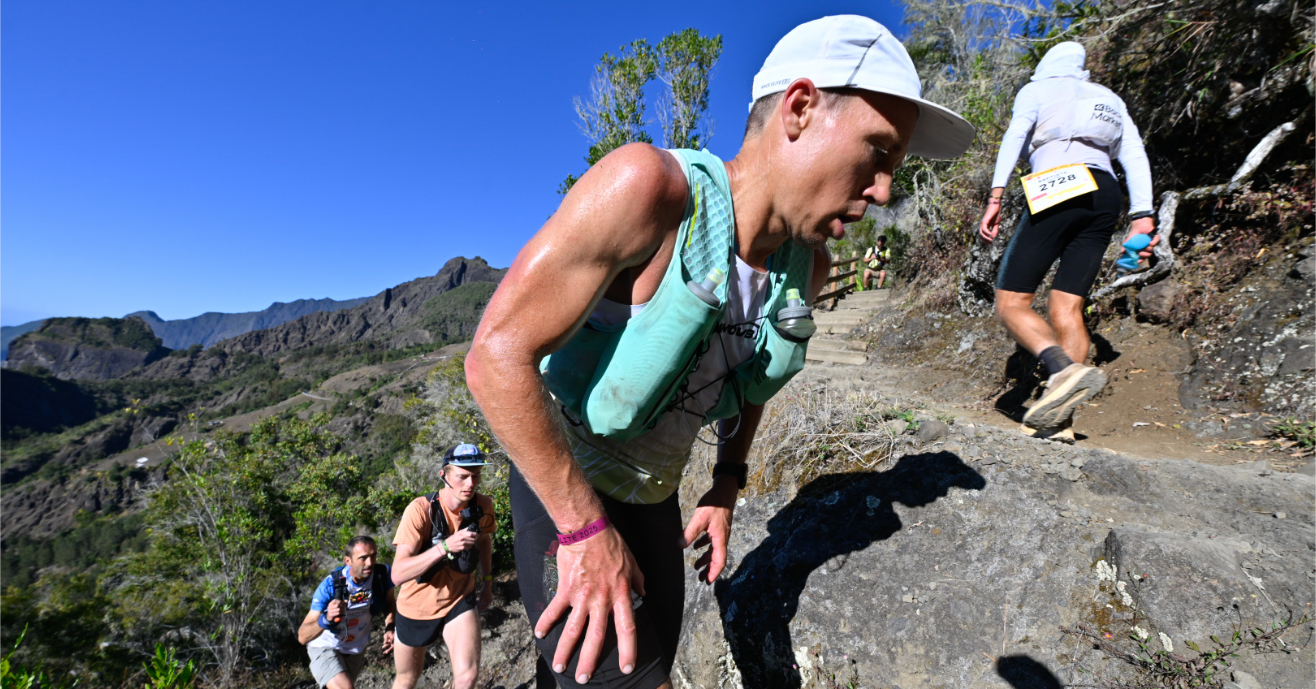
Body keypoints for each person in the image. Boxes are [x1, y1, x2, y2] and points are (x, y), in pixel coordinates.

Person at [465, 15, 973, 689]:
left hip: (655, 496)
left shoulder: (806, 268)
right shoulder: (651, 192)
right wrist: (584, 533)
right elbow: (494, 355)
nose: (884, 191)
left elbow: (756, 379)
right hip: (564, 488)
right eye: (877, 152)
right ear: (799, 108)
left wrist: (728, 480)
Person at [978, 41, 1158, 442]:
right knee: (1068, 305)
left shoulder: (1037, 90)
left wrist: (995, 196)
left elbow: (1016, 134)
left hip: (1059, 184)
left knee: (1011, 302)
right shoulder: (1109, 98)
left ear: (1046, 65)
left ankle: (1063, 370)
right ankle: (1060, 422)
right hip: (1106, 192)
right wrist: (1143, 213)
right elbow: (1133, 152)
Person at [389, 444, 497, 689]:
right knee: (407, 679)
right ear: (444, 475)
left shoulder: (483, 506)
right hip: (416, 607)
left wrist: (488, 583)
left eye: (476, 475)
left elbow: (484, 541)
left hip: (460, 597)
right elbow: (397, 573)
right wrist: (445, 547)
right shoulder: (420, 511)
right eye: (462, 476)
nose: (470, 483)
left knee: (467, 677)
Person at [298, 536, 396, 689]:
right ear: (348, 561)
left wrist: (390, 627)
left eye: (373, 556)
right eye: (363, 558)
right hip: (326, 646)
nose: (370, 563)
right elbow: (303, 636)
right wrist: (327, 618)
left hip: (356, 648)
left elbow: (390, 603)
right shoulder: (330, 586)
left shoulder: (382, 575)